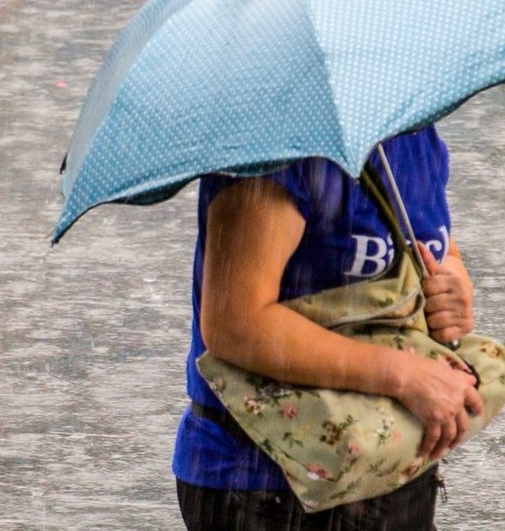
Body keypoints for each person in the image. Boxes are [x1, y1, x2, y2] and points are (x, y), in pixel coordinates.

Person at [173, 125, 483, 530]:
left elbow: (431, 242)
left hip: (387, 465)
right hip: (268, 485)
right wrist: (403, 376)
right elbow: (236, 323)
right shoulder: (274, 152)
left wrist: (453, 285)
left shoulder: (411, 134)